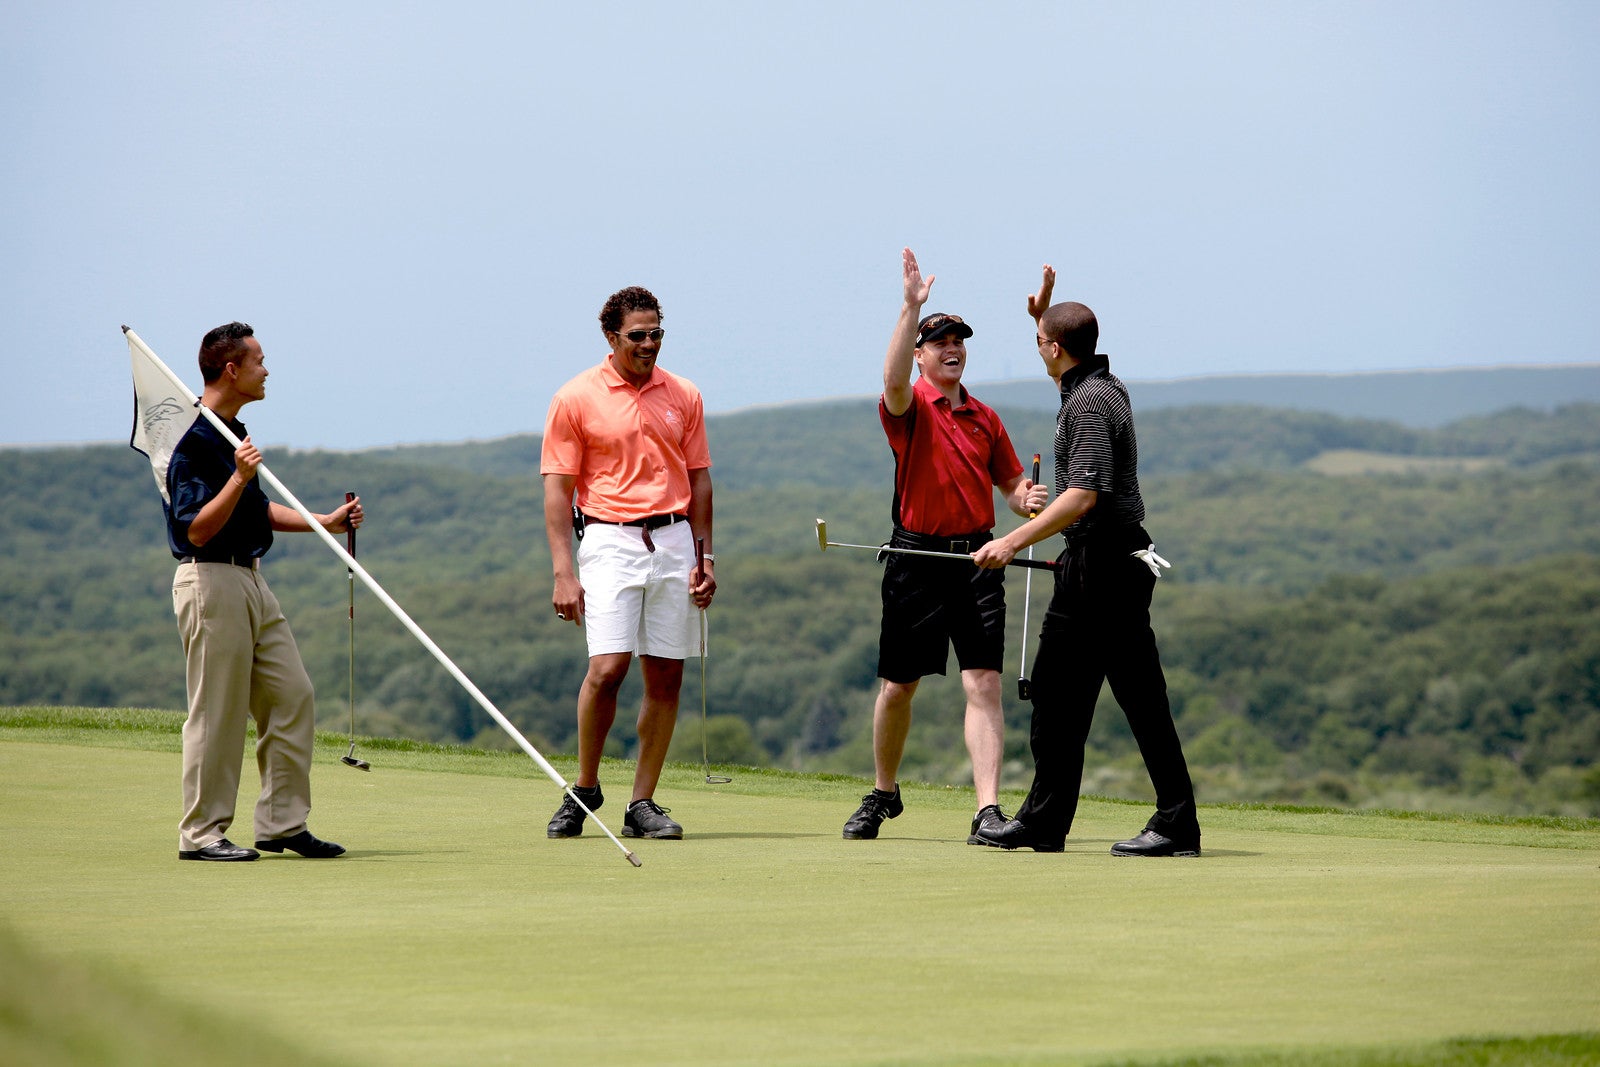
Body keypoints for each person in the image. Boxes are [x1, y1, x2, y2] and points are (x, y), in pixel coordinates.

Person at [970, 266, 1201, 856]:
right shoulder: (1094, 383)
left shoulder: (1090, 401)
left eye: (1040, 343)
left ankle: (1165, 824)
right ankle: (1055, 822)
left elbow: (1083, 494)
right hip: (1105, 565)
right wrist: (1040, 317)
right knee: (1072, 695)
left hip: (1103, 566)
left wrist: (1011, 542)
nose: (1038, 351)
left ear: (1055, 348)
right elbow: (1063, 352)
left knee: (1091, 696)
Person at [842, 249, 1047, 843]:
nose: (952, 348)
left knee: (982, 682)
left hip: (980, 557)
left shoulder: (985, 416)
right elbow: (890, 381)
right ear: (921, 355)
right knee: (899, 686)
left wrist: (1026, 499)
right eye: (939, 342)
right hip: (916, 558)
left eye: (959, 341)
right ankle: (884, 792)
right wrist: (911, 309)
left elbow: (1009, 485)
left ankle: (987, 810)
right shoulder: (909, 408)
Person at [166, 321, 362, 862]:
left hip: (251, 577)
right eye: (258, 361)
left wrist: (324, 521)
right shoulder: (194, 439)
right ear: (232, 369)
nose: (267, 369)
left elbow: (257, 510)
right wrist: (237, 478)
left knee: (290, 695)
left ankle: (281, 824)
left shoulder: (232, 434)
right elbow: (196, 528)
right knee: (218, 711)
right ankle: (201, 834)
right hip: (210, 578)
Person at [541, 285, 716, 842]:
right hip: (608, 540)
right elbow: (557, 488)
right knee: (608, 669)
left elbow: (699, 478)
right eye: (637, 335)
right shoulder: (575, 396)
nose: (648, 344)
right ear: (611, 336)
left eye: (656, 333)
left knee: (666, 675)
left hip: (674, 539)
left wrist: (705, 554)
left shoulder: (683, 393)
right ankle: (586, 787)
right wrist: (562, 571)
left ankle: (641, 802)